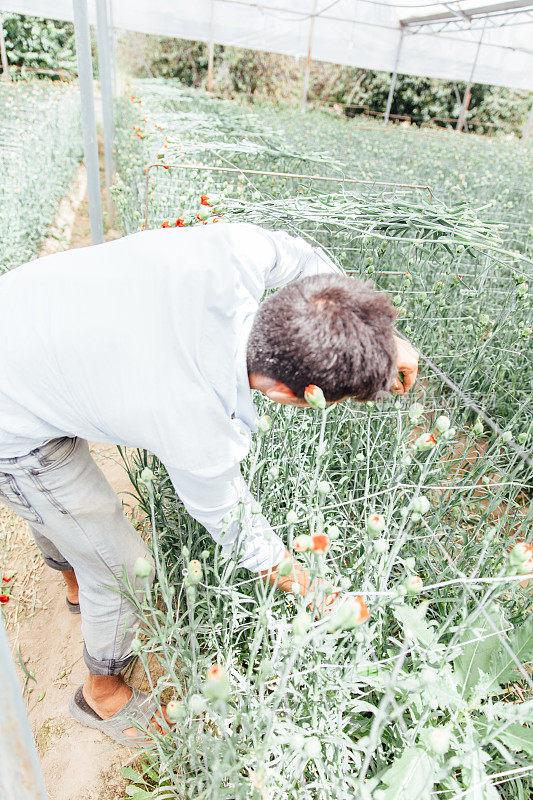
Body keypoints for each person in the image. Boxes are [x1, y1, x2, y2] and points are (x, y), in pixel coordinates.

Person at [0, 222, 418, 746]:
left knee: (66, 514)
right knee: (123, 567)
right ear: (295, 394)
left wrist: (379, 338)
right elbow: (231, 520)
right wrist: (308, 587)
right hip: (10, 416)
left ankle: (75, 580)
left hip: (24, 314)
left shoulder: (232, 255)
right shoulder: (196, 420)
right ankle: (100, 693)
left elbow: (312, 270)